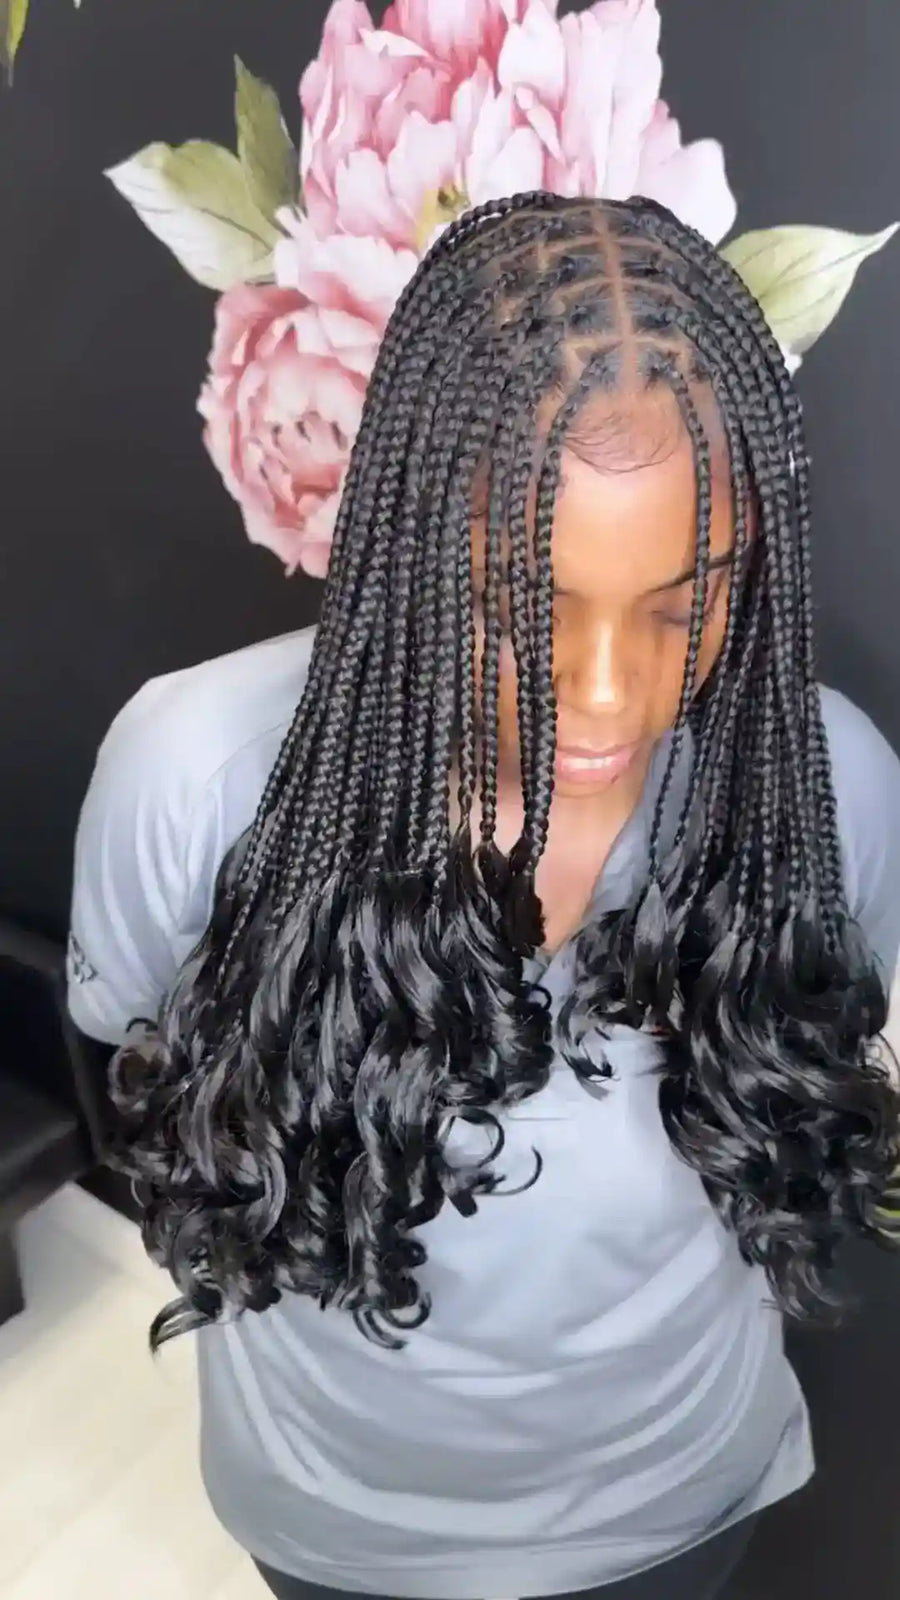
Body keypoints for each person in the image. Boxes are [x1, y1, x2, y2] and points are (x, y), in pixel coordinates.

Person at [68, 193, 900, 1600]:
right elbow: (135, 1082)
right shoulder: (194, 779)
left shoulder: (823, 800)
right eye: (523, 597)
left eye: (683, 599)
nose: (607, 696)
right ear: (406, 547)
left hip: (681, 1504)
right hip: (336, 1525)